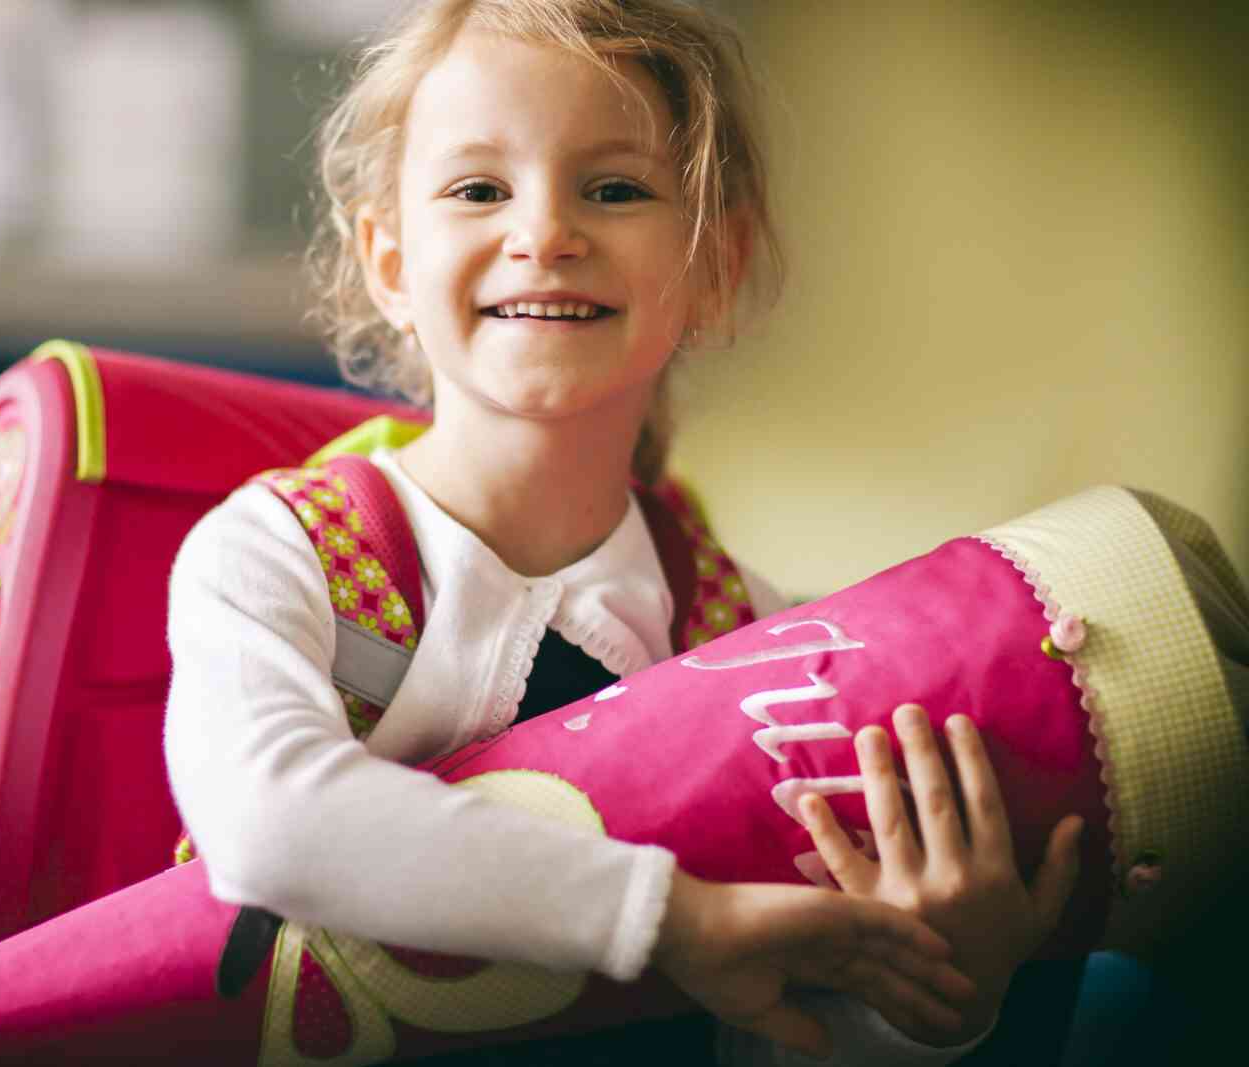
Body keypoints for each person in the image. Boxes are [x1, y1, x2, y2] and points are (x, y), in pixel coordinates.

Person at [163, 1, 1081, 1062]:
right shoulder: (280, 554)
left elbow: (773, 1031)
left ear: (714, 267)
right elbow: (268, 821)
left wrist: (935, 1001)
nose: (544, 232)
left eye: (615, 188)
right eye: (477, 190)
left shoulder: (766, 643)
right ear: (388, 262)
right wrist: (675, 917)